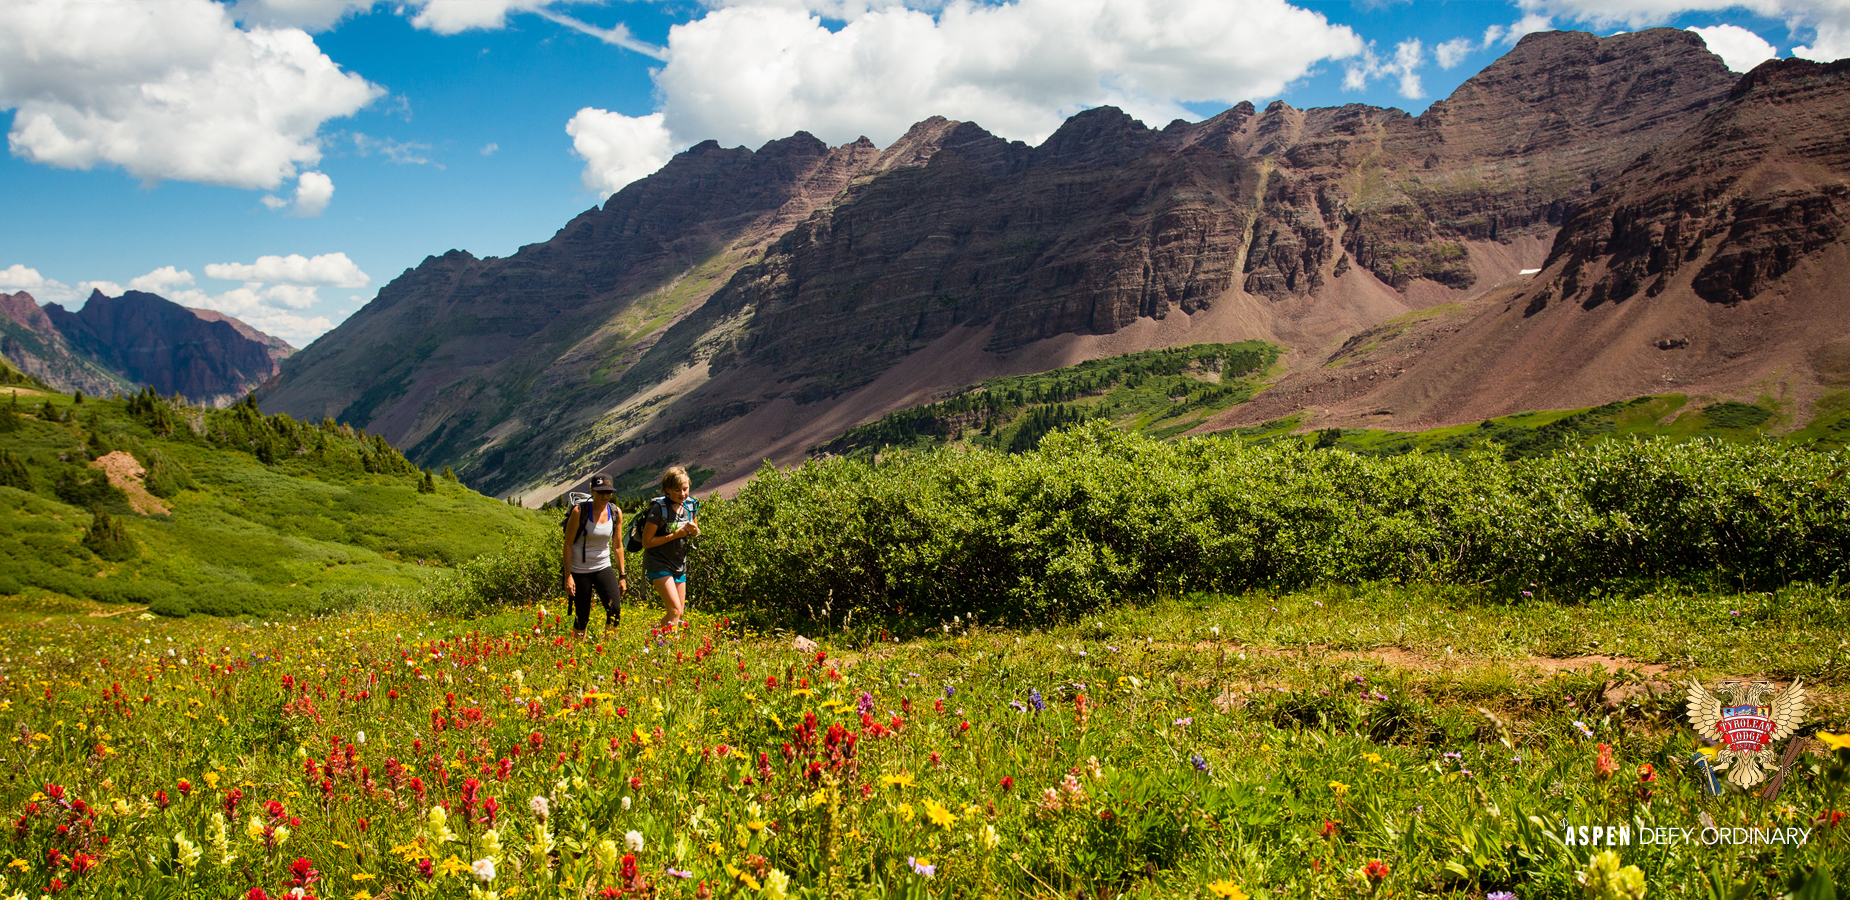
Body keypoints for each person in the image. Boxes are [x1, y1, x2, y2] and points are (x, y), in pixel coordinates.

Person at [562, 474, 626, 638]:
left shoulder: (615, 512)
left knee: (615, 609)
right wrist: (568, 576)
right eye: (600, 492)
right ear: (592, 491)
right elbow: (568, 544)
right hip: (580, 569)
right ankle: (576, 651)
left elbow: (618, 546)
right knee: (582, 616)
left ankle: (608, 646)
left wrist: (622, 575)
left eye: (608, 492)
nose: (604, 496)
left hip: (603, 566)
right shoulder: (580, 511)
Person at [639, 466, 700, 631]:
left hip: (679, 563)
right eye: (677, 490)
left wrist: (695, 531)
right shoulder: (659, 509)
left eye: (685, 489)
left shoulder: (691, 505)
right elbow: (646, 542)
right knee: (673, 609)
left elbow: (695, 530)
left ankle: (655, 636)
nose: (682, 494)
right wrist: (675, 535)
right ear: (667, 489)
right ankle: (669, 647)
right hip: (658, 562)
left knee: (679, 613)